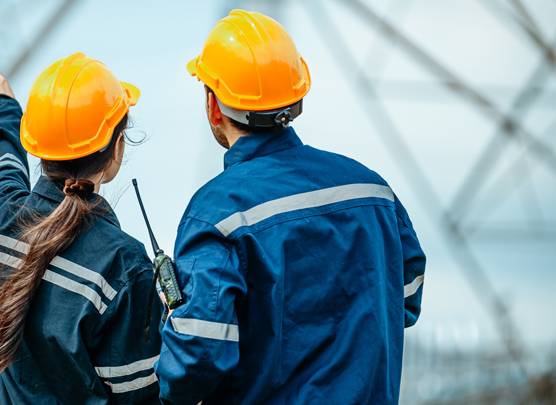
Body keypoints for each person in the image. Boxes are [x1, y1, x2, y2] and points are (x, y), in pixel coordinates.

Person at [154, 10, 426, 404]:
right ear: (296, 97)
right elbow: (405, 298)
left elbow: (199, 356)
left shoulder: (218, 211)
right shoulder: (373, 189)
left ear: (214, 107)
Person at [0, 52, 162, 404]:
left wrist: (2, 105)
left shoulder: (0, 218)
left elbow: (1, 166)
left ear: (38, 147)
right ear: (117, 147)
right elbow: (143, 396)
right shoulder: (123, 264)